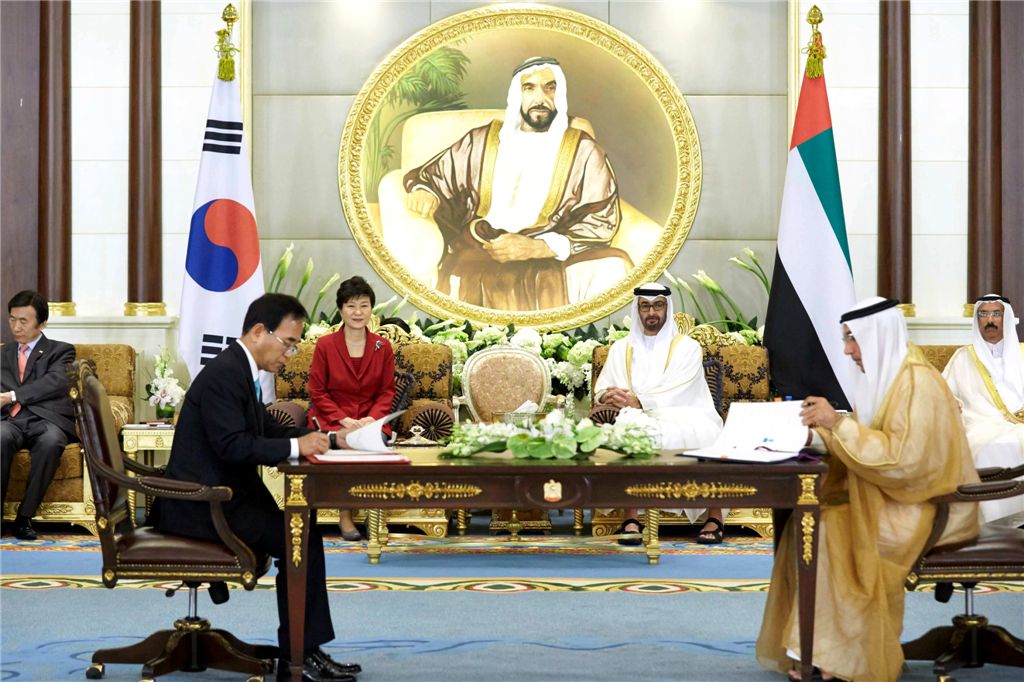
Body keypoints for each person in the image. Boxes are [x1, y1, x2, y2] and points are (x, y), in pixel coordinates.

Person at [756, 297, 980, 682]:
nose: (847, 350)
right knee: (804, 526)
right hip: (888, 496)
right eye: (846, 338)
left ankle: (840, 657)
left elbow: (902, 461)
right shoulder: (889, 376)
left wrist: (837, 425)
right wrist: (813, 435)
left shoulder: (918, 383)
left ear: (878, 336)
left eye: (852, 339)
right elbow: (868, 437)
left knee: (826, 532)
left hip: (920, 504)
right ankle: (812, 648)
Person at [153, 294, 360, 682]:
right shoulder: (224, 374)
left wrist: (329, 438)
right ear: (259, 331)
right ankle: (300, 657)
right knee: (301, 539)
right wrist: (298, 447)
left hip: (227, 497)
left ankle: (303, 651)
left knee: (304, 533)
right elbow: (232, 446)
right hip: (202, 506)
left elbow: (265, 429)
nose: (291, 355)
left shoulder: (240, 369)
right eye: (288, 343)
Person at [402, 56, 632, 310]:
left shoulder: (584, 150)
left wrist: (538, 248)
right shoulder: (483, 141)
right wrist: (425, 192)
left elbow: (600, 218)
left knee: (614, 267)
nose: (540, 98)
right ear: (516, 94)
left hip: (552, 249)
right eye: (529, 88)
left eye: (550, 88)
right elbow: (437, 176)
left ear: (560, 93)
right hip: (485, 245)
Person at [593, 283, 724, 545]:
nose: (652, 312)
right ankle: (631, 518)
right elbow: (603, 387)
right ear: (638, 309)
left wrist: (640, 401)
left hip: (686, 412)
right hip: (634, 414)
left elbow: (682, 388)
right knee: (629, 432)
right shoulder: (621, 348)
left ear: (667, 308)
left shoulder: (688, 346)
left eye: (658, 305)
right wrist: (606, 396)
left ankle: (715, 517)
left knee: (708, 436)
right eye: (645, 306)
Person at [307, 276, 396, 542]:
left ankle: (373, 511)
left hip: (370, 420)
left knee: (368, 442)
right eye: (351, 306)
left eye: (364, 305)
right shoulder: (325, 345)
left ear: (371, 310)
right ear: (341, 309)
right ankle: (345, 513)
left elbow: (387, 391)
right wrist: (343, 419)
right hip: (332, 419)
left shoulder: (382, 346)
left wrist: (371, 419)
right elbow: (317, 391)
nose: (358, 312)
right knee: (347, 443)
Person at [942, 293, 1024, 525]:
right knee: (989, 448)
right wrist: (953, 403)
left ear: (1005, 318)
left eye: (996, 314)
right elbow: (944, 392)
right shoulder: (963, 357)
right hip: (980, 424)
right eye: (984, 314)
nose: (990, 320)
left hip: (1019, 423)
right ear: (977, 319)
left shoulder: (1022, 354)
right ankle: (995, 524)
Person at [1, 290, 76, 541]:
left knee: (51, 442)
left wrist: (12, 396)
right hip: (10, 421)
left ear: (42, 323)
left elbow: (54, 383)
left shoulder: (62, 351)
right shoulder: (2, 353)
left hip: (46, 420)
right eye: (12, 319)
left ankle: (25, 517)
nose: (16, 327)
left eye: (24, 321)